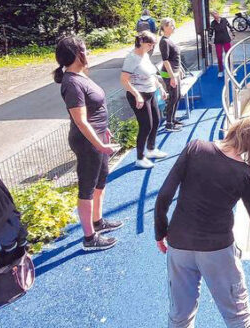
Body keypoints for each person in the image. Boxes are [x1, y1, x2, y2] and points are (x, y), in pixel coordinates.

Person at [155, 114, 250, 328]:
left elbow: (164, 195)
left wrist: (160, 233)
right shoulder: (245, 174)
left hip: (178, 243)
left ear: (234, 129)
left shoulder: (195, 148)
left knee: (180, 315)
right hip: (217, 250)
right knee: (238, 316)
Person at [54, 36, 123, 251]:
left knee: (100, 181)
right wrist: (99, 144)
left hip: (98, 136)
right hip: (87, 143)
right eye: (85, 49)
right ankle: (89, 237)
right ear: (77, 54)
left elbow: (94, 111)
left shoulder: (80, 76)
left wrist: (104, 130)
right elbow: (81, 121)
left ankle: (97, 221)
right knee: (87, 187)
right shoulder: (72, 83)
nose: (89, 52)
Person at [120, 31, 168, 169]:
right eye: (149, 44)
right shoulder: (131, 58)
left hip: (151, 92)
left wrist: (161, 88)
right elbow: (124, 80)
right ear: (141, 42)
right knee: (146, 125)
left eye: (153, 45)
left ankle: (151, 149)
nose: (152, 47)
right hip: (138, 96)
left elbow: (152, 75)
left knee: (157, 120)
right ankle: (140, 158)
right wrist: (136, 95)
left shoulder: (145, 55)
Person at [159, 18, 183, 132]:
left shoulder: (169, 40)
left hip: (175, 72)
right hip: (169, 74)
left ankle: (172, 119)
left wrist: (180, 70)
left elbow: (175, 58)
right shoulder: (164, 41)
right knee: (173, 97)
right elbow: (166, 60)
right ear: (165, 27)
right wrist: (172, 76)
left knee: (177, 96)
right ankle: (168, 123)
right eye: (172, 25)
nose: (174, 27)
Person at [209, 10, 235, 78]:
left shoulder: (224, 20)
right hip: (218, 41)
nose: (215, 16)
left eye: (215, 14)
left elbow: (230, 26)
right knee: (219, 56)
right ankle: (220, 71)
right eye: (213, 15)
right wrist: (209, 39)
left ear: (218, 13)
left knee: (228, 55)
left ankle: (231, 70)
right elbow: (211, 32)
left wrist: (233, 34)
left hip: (226, 39)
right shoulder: (213, 23)